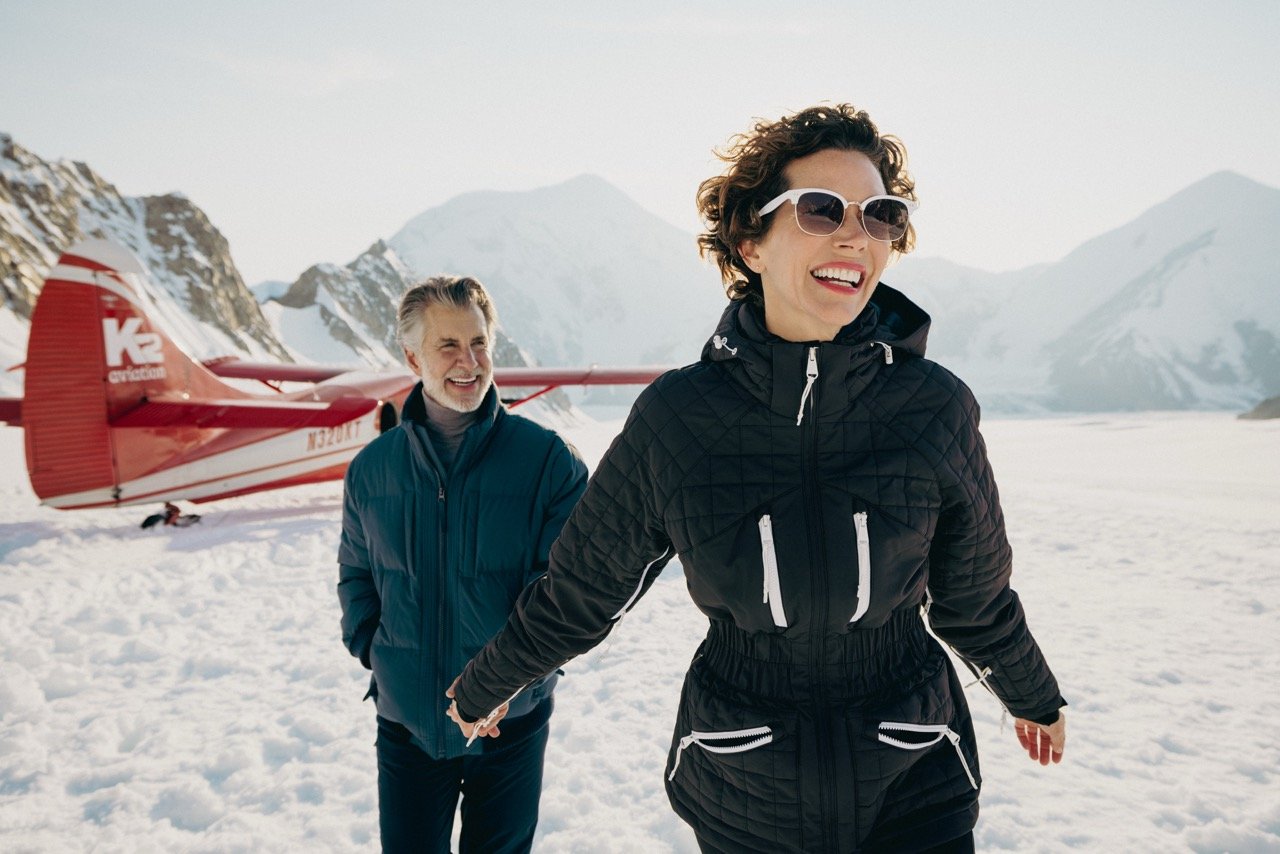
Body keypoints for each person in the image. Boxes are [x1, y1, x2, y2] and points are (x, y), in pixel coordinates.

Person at [447, 104, 1067, 852]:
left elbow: (975, 599)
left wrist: (1031, 692)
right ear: (749, 242)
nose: (854, 234)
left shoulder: (934, 406)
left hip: (914, 771)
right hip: (745, 780)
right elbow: (584, 590)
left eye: (881, 215)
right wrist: (491, 679)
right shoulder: (677, 418)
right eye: (820, 209)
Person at [337, 276, 588, 854]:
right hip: (406, 727)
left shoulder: (548, 462)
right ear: (412, 356)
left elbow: (566, 594)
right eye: (448, 345)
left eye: (478, 342)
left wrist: (508, 682)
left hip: (511, 728)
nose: (468, 362)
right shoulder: (372, 470)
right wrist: (375, 650)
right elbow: (356, 576)